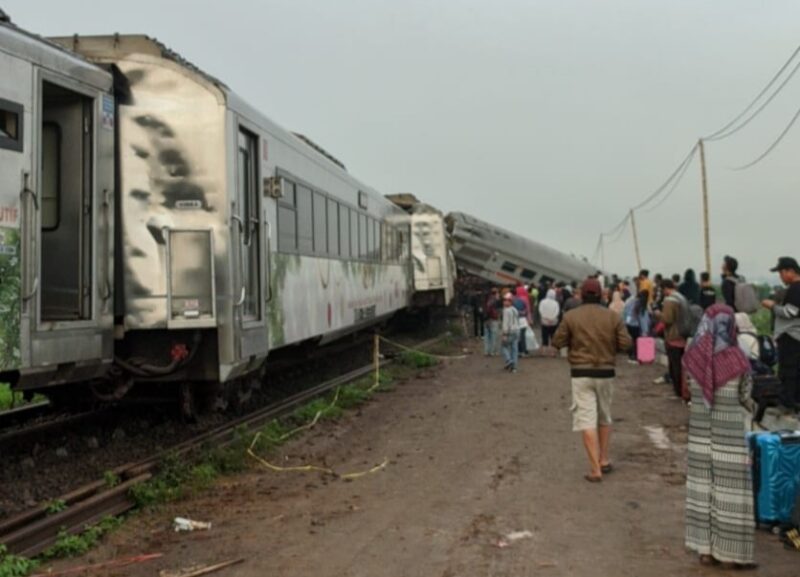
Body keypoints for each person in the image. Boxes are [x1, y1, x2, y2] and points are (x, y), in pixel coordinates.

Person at [684, 304, 756, 569]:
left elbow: (689, 393)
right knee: (731, 493)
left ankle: (705, 551)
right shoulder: (738, 359)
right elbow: (745, 398)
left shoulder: (692, 358)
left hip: (700, 437)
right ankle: (730, 554)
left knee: (703, 490)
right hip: (730, 438)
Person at [552, 278, 631, 483]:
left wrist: (574, 343)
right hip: (606, 372)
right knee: (605, 416)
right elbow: (625, 343)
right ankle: (604, 459)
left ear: (581, 295)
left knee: (586, 419)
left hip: (580, 373)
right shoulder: (612, 317)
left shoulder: (571, 316)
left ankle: (595, 469)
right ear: (601, 295)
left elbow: (557, 341)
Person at [761, 256, 800, 410]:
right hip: (795, 336)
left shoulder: (796, 288)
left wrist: (771, 306)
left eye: (781, 273)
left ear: (790, 271)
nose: (781, 277)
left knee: (788, 370)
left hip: (791, 336)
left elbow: (790, 312)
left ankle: (788, 403)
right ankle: (794, 401)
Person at [661, 280, 688, 400]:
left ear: (665, 288)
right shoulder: (682, 298)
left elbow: (667, 319)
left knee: (675, 366)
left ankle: (678, 392)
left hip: (673, 336)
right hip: (683, 335)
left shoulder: (670, 300)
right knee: (682, 366)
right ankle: (684, 391)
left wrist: (658, 314)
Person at [500, 293, 520, 372]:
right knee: (514, 349)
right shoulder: (514, 309)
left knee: (503, 346)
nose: (505, 302)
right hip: (517, 330)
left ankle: (509, 360)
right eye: (504, 300)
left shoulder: (506, 310)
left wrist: (504, 334)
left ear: (510, 301)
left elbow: (505, 323)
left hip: (509, 331)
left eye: (507, 300)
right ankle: (514, 366)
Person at [514, 284, 531, 356]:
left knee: (518, 336)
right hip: (523, 320)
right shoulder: (525, 299)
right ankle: (524, 350)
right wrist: (529, 319)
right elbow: (528, 310)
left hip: (516, 320)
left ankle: (518, 351)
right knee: (523, 336)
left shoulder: (515, 299)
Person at [483, 287, 501, 356]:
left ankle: (487, 351)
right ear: (496, 293)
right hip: (493, 319)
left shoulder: (487, 300)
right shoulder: (495, 300)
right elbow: (498, 311)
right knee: (494, 336)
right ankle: (493, 351)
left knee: (487, 336)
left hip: (486, 319)